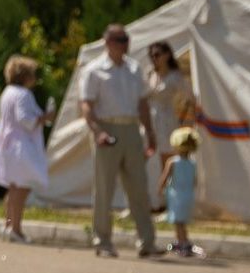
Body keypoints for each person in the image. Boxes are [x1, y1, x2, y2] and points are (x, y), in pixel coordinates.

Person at [79, 23, 159, 260]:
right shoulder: (95, 70)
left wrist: (150, 131)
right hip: (107, 126)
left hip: (131, 128)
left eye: (126, 39)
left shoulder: (135, 69)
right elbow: (86, 104)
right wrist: (97, 131)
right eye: (120, 40)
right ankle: (102, 240)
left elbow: (143, 102)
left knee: (139, 187)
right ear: (108, 43)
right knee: (104, 188)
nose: (125, 44)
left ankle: (146, 241)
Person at [0, 56, 53, 243]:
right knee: (22, 187)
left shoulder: (7, 92)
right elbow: (25, 120)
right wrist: (46, 117)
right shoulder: (23, 94)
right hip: (20, 146)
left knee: (13, 187)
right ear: (25, 76)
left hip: (6, 144)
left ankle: (9, 225)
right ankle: (15, 229)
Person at [146, 41, 193, 214]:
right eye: (152, 55)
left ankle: (171, 203)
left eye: (157, 55)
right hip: (150, 121)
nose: (154, 59)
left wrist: (184, 118)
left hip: (166, 120)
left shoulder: (174, 77)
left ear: (166, 55)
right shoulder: (151, 74)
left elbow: (190, 97)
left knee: (167, 162)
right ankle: (154, 200)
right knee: (150, 162)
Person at [157, 127, 202, 259]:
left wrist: (160, 188)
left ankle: (183, 243)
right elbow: (195, 181)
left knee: (178, 222)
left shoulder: (172, 162)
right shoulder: (193, 163)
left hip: (176, 196)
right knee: (182, 221)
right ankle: (182, 241)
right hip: (188, 195)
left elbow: (165, 177)